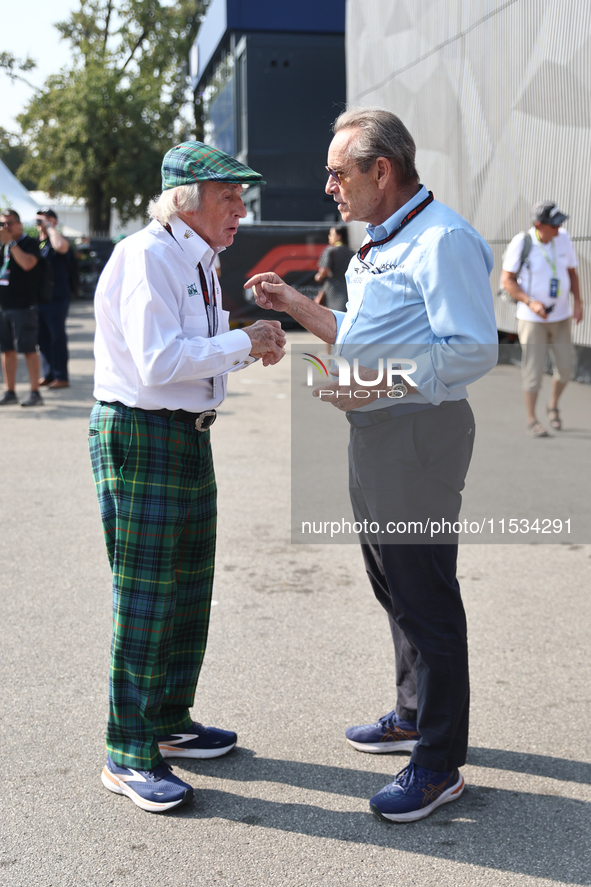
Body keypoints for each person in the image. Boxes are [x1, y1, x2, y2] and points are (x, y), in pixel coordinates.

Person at [245, 108, 498, 823]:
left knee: (426, 599)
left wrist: (375, 384)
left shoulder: (441, 238)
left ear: (380, 170)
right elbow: (358, 335)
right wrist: (295, 303)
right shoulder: (381, 242)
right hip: (378, 431)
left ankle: (440, 764)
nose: (329, 185)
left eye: (338, 172)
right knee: (391, 585)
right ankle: (413, 714)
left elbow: (472, 348)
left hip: (417, 433)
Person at [90, 141, 286, 814]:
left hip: (180, 434)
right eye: (227, 195)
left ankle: (166, 718)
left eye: (239, 195)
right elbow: (155, 360)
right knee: (146, 595)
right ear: (186, 201)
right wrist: (242, 341)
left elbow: (184, 352)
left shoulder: (193, 257)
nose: (240, 207)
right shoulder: (150, 254)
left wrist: (239, 344)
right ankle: (126, 748)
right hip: (144, 434)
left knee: (184, 587)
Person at [500, 202, 583, 437]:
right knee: (533, 371)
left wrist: (578, 302)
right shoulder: (522, 242)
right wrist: (530, 301)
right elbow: (507, 280)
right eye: (554, 224)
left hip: (560, 316)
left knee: (566, 367)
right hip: (532, 319)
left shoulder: (563, 238)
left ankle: (552, 405)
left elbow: (571, 273)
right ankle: (532, 418)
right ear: (539, 225)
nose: (559, 227)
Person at [0, 209, 43, 407]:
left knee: (27, 349)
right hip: (4, 305)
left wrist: (11, 242)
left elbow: (27, 264)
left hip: (23, 306)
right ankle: (10, 391)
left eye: (8, 223)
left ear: (19, 225)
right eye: (2, 224)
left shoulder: (29, 243)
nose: (5, 227)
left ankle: (35, 391)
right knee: (6, 350)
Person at [36, 208, 72, 389]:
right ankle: (48, 374)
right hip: (39, 298)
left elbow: (61, 247)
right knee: (42, 338)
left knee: (56, 336)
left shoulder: (56, 239)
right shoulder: (37, 242)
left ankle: (61, 376)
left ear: (54, 221)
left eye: (46, 219)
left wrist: (50, 228)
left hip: (56, 297)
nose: (40, 222)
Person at [313, 225, 354, 311]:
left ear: (338, 236)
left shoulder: (330, 250)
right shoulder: (352, 253)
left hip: (332, 291)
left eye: (331, 234)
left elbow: (323, 271)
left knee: (331, 317)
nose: (329, 237)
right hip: (348, 291)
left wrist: (318, 277)